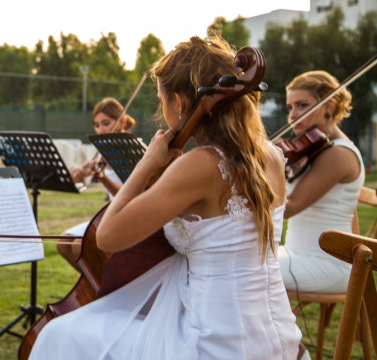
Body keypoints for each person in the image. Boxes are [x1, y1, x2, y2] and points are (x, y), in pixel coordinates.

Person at [29, 36, 303, 359]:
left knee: (60, 335)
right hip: (277, 336)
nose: (162, 108)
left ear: (178, 102)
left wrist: (146, 164)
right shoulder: (270, 155)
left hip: (215, 342)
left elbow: (107, 235)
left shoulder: (201, 164)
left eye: (161, 99)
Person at [278, 70, 364, 293]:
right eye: (290, 107)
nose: (293, 115)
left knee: (240, 268)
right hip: (294, 255)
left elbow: (289, 207)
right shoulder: (315, 150)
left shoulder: (339, 154)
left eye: (302, 105)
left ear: (329, 106)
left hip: (325, 263)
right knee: (235, 261)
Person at [56, 97, 135, 270]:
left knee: (79, 246)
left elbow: (132, 197)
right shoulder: (104, 152)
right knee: (63, 242)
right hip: (109, 216)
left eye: (106, 123)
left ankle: (102, 288)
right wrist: (76, 173)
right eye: (96, 125)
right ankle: (93, 284)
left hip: (128, 219)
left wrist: (103, 178)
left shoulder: (130, 152)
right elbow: (83, 173)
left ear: (122, 122)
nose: (100, 130)